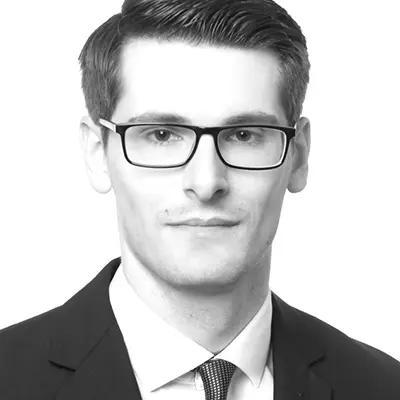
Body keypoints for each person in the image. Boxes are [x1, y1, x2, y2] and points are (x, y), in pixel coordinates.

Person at [0, 0, 399, 399]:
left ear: (299, 155)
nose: (207, 183)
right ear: (96, 152)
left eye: (244, 135)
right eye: (161, 135)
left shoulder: (383, 386)